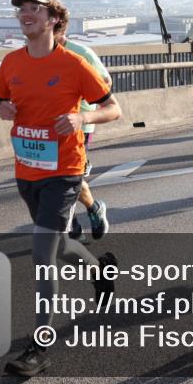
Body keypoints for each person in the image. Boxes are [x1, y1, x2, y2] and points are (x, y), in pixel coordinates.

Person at [0, 0, 122, 377]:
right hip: (27, 170)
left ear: (53, 20)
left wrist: (83, 119)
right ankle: (100, 271)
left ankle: (39, 347)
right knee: (59, 245)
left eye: (35, 9)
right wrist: (2, 109)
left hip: (64, 172)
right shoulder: (11, 62)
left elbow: (113, 108)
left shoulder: (73, 64)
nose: (26, 14)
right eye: (22, 9)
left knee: (42, 255)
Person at [57, 29, 112, 243]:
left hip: (78, 125)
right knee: (54, 177)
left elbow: (105, 82)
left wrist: (83, 109)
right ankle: (88, 211)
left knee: (69, 175)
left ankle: (78, 219)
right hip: (46, 127)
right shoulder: (34, 54)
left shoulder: (81, 53)